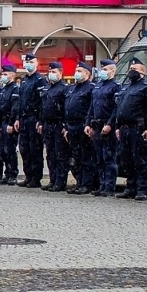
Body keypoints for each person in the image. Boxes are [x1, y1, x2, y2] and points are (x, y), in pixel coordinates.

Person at [113, 58, 147, 201]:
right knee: (126, 160)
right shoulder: (126, 87)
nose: (131, 72)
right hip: (124, 129)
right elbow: (120, 109)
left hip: (138, 128)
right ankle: (130, 188)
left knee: (140, 160)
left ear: (143, 72)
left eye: (135, 69)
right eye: (130, 69)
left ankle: (143, 189)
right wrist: (117, 127)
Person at [86, 59, 121, 197]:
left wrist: (110, 124)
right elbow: (92, 106)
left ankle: (109, 186)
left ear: (113, 71)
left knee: (109, 157)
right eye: (102, 69)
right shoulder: (98, 86)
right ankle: (102, 185)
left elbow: (116, 108)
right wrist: (88, 123)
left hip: (108, 126)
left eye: (105, 69)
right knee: (99, 157)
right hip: (97, 125)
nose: (103, 72)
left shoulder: (116, 87)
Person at [63, 63, 96, 195]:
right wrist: (66, 126)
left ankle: (87, 184)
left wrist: (89, 124)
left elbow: (91, 109)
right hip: (71, 126)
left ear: (88, 74)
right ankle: (79, 182)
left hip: (82, 125)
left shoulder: (90, 88)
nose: (77, 73)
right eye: (76, 70)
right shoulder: (72, 88)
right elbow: (67, 108)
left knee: (86, 156)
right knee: (76, 156)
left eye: (80, 71)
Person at [14, 55, 45, 188]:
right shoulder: (25, 80)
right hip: (24, 118)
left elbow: (42, 102)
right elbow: (20, 101)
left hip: (34, 118)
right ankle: (28, 176)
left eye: (31, 62)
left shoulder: (40, 80)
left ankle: (36, 178)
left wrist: (40, 120)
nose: (29, 64)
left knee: (35, 150)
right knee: (24, 149)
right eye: (27, 62)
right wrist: (17, 118)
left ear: (37, 63)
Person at [40, 62, 69, 191]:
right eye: (50, 72)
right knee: (50, 154)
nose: (51, 74)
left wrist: (65, 125)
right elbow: (43, 107)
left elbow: (66, 108)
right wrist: (41, 122)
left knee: (60, 154)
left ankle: (60, 181)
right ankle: (53, 180)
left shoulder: (64, 88)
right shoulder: (47, 88)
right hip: (48, 124)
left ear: (60, 73)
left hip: (58, 124)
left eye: (54, 72)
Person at [0, 65, 22, 185]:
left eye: (5, 74)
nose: (3, 76)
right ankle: (7, 173)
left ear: (12, 75)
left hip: (9, 122)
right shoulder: (4, 89)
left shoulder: (15, 89)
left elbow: (15, 108)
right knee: (3, 151)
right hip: (3, 122)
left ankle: (13, 174)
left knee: (10, 150)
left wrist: (11, 123)